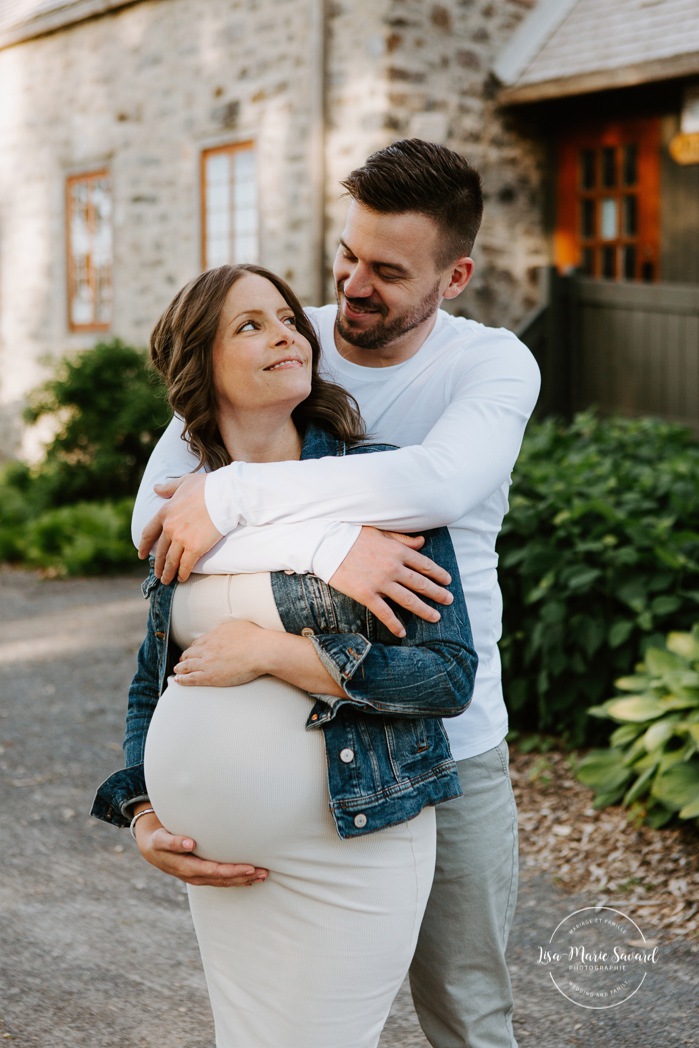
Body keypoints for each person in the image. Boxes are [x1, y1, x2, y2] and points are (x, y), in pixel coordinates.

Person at [132, 139, 541, 1048]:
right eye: (345, 256)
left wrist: (235, 496)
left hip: (447, 742)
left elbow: (433, 485)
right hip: (287, 778)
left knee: (467, 1013)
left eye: (387, 272)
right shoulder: (285, 340)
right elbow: (151, 525)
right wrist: (332, 544)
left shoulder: (492, 366)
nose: (352, 286)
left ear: (456, 275)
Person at [92, 263, 478, 1048]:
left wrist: (274, 652)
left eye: (286, 319)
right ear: (201, 364)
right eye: (249, 325)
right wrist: (143, 809)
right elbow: (150, 682)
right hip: (220, 866)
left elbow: (445, 675)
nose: (286, 334)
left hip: (351, 845)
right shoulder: (185, 505)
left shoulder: (378, 480)